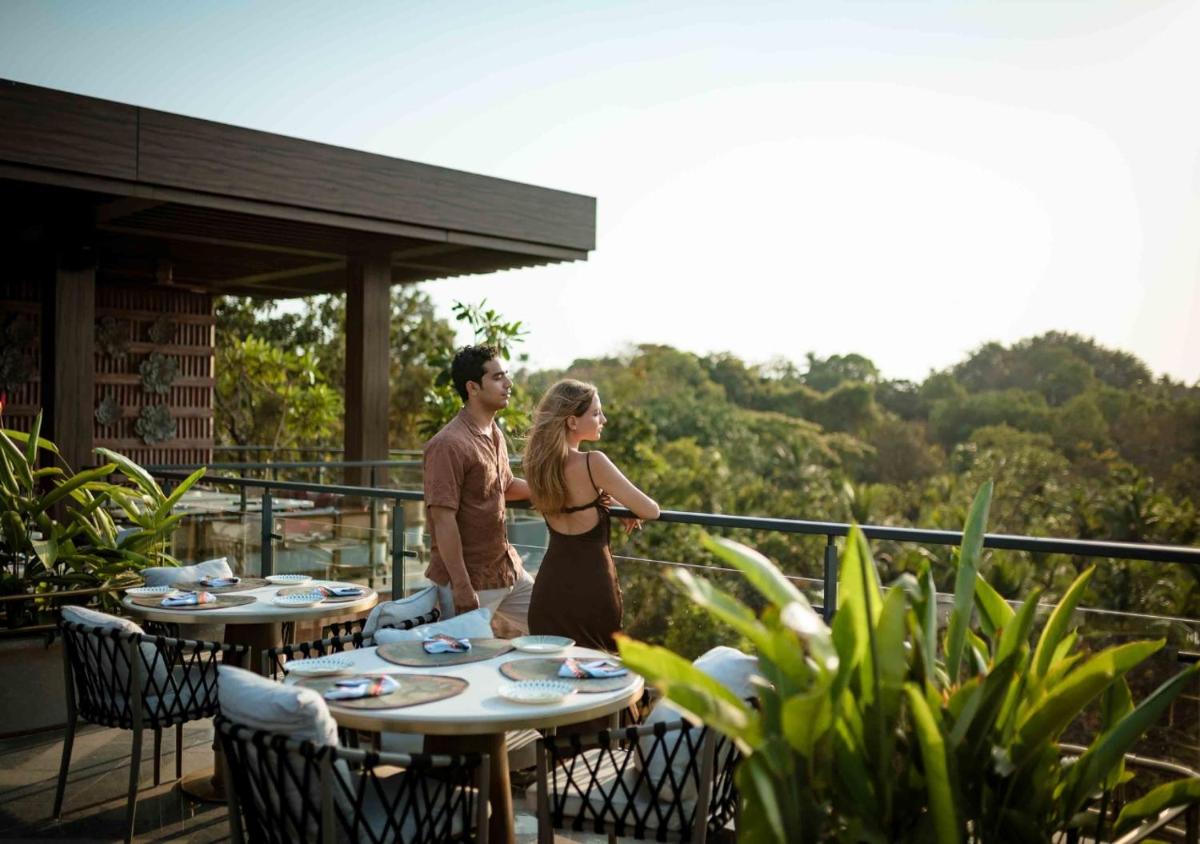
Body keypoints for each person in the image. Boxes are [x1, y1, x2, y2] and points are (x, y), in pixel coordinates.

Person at [524, 379, 660, 651]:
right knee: (599, 671)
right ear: (572, 421)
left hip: (550, 590)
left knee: (552, 673)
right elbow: (651, 510)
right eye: (596, 413)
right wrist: (618, 504)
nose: (604, 419)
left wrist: (607, 502)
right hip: (592, 589)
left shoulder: (537, 466)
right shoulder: (592, 462)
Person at [423, 345, 533, 635]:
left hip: (506, 569)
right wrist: (461, 586)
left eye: (506, 375)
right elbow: (442, 519)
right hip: (469, 581)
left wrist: (559, 493)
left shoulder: (494, 432)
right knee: (460, 664)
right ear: (473, 387)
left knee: (553, 621)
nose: (508, 384)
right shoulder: (447, 444)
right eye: (498, 378)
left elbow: (504, 485)